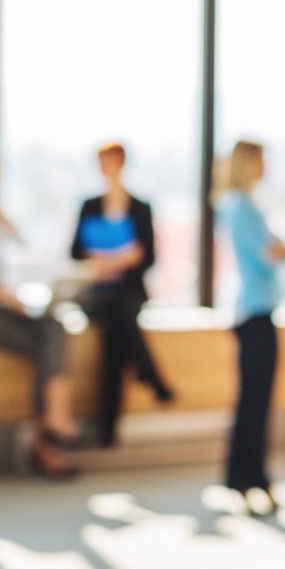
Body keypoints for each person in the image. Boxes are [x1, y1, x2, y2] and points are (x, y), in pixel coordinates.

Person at [0, 150, 80, 479]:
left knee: (52, 331)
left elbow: (22, 245)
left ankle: (51, 425)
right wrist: (1, 293)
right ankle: (49, 434)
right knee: (48, 344)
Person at [70, 142, 173, 448]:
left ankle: (107, 430)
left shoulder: (140, 208)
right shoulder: (89, 205)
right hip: (97, 292)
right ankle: (148, 373)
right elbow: (76, 251)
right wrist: (119, 259)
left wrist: (112, 260)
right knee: (119, 316)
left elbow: (148, 256)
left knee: (116, 335)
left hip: (127, 292)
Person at [214, 140, 285, 515]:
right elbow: (268, 254)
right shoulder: (243, 207)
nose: (267, 167)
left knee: (251, 400)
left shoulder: (231, 205)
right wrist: (283, 248)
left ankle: (248, 477)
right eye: (262, 160)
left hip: (247, 310)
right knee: (255, 402)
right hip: (256, 311)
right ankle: (251, 478)